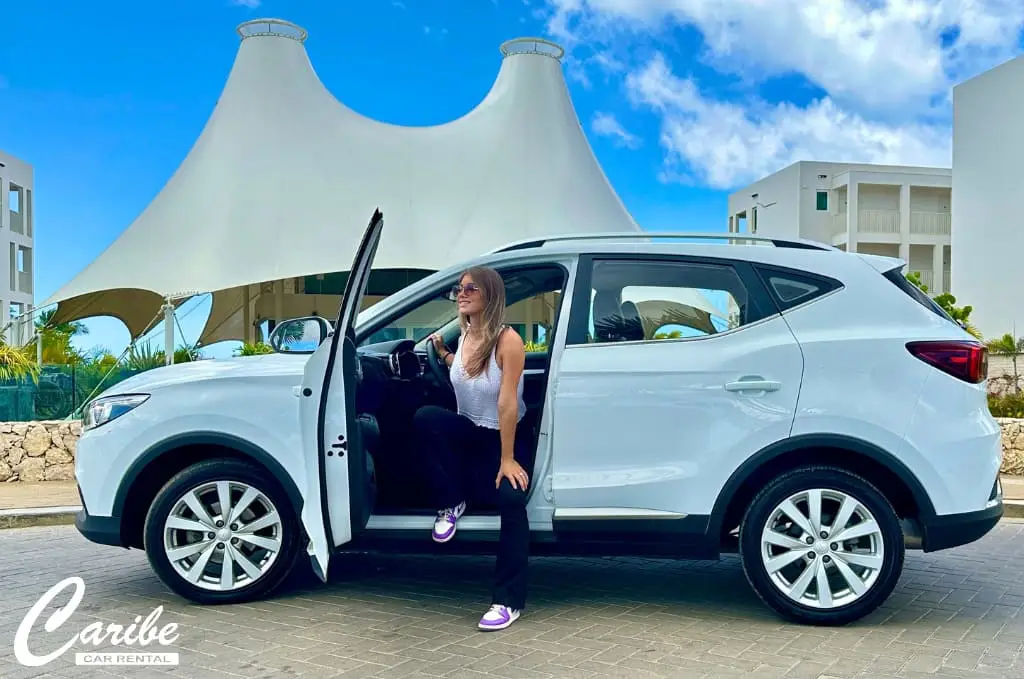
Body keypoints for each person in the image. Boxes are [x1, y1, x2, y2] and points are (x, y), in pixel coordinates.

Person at [413, 265, 531, 631]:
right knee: (426, 417)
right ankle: (452, 502)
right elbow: (463, 370)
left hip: (504, 435)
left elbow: (507, 403)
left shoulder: (507, 340)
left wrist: (508, 459)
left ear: (489, 295)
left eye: (470, 289)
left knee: (512, 501)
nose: (461, 294)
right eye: (458, 289)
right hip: (470, 430)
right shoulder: (466, 336)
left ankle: (507, 600)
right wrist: (442, 353)